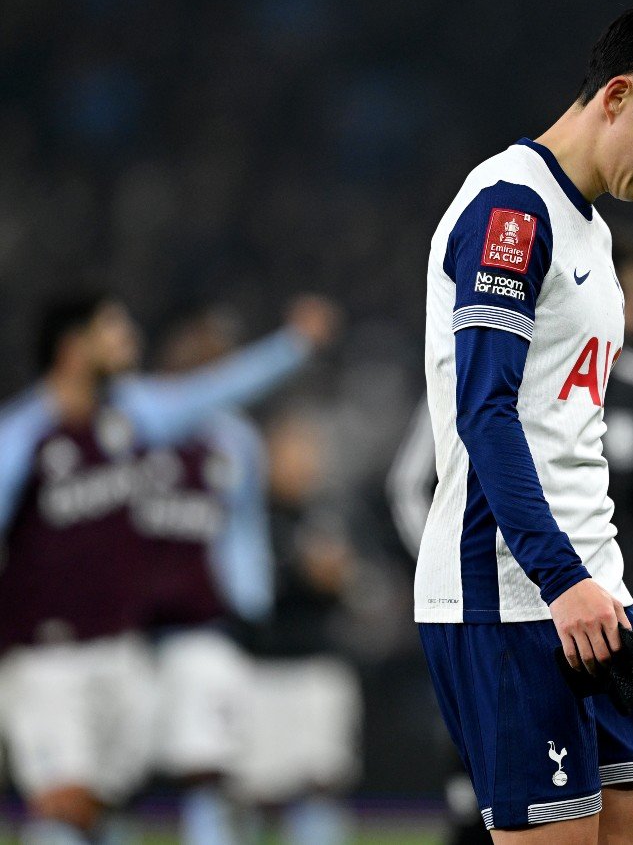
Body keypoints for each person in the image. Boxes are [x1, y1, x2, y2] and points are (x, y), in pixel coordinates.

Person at [414, 0, 633, 842]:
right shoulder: (509, 209)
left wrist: (592, 581)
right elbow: (484, 414)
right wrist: (563, 581)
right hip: (513, 592)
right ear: (618, 95)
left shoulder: (590, 232)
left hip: (593, 586)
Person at [0, 291, 336, 845]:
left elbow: (215, 391)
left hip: (118, 650)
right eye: (112, 328)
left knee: (96, 812)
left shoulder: (133, 416)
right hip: (46, 653)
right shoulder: (22, 437)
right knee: (61, 808)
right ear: (73, 347)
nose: (127, 337)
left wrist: (292, 348)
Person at [137, 307, 279, 845]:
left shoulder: (237, 440)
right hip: (129, 622)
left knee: (209, 771)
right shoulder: (138, 422)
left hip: (204, 624)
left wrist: (249, 600)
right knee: (117, 776)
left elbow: (245, 528)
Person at [233, 409, 363, 845]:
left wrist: (335, 575)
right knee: (253, 793)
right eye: (293, 451)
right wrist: (302, 572)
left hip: (318, 665)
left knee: (322, 784)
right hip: (261, 669)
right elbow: (249, 590)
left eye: (310, 452)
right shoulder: (248, 516)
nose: (305, 462)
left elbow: (346, 581)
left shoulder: (325, 513)